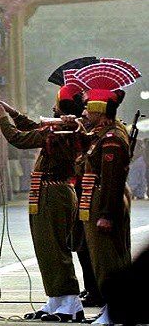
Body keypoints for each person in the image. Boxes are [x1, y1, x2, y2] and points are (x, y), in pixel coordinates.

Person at [0, 78, 87, 321]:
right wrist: (12, 111)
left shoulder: (63, 129)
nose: (53, 110)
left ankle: (71, 303)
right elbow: (33, 127)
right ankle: (55, 299)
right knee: (46, 248)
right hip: (48, 192)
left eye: (57, 106)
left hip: (54, 193)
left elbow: (20, 139)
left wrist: (2, 117)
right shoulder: (63, 127)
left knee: (56, 248)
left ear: (62, 109)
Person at [74, 60, 140, 324]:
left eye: (90, 108)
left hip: (104, 201)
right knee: (105, 259)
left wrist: (106, 214)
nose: (86, 113)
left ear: (100, 110)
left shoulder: (111, 138)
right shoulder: (101, 134)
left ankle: (115, 310)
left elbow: (112, 180)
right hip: (98, 199)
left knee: (108, 261)